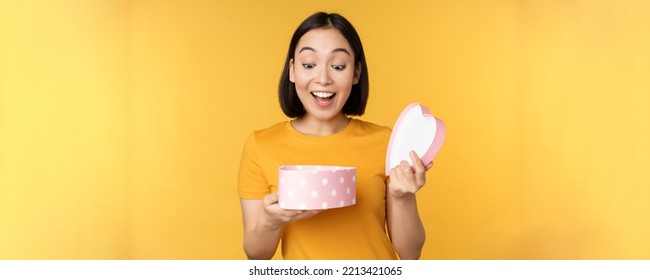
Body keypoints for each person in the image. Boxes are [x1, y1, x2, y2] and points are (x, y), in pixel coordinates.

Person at [238, 11, 431, 260]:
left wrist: (402, 196)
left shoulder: (385, 141)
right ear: (293, 71)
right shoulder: (261, 146)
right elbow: (256, 255)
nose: (323, 79)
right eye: (309, 65)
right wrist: (270, 220)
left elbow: (410, 253)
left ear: (356, 73)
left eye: (338, 66)